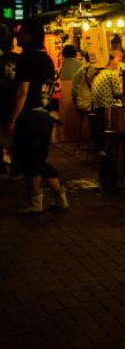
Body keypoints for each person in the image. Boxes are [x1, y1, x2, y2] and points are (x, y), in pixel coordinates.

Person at [6, 20, 69, 214]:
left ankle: (36, 202)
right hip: (45, 115)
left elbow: (22, 92)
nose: (18, 36)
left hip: (30, 116)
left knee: (30, 159)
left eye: (22, 33)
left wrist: (13, 118)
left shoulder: (27, 59)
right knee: (39, 158)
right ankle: (60, 197)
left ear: (30, 35)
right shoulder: (47, 59)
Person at [0, 31, 23, 179]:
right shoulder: (21, 60)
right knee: (18, 135)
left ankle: (2, 168)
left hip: (2, 102)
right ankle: (16, 169)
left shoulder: (0, 60)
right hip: (17, 102)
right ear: (13, 44)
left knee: (1, 134)